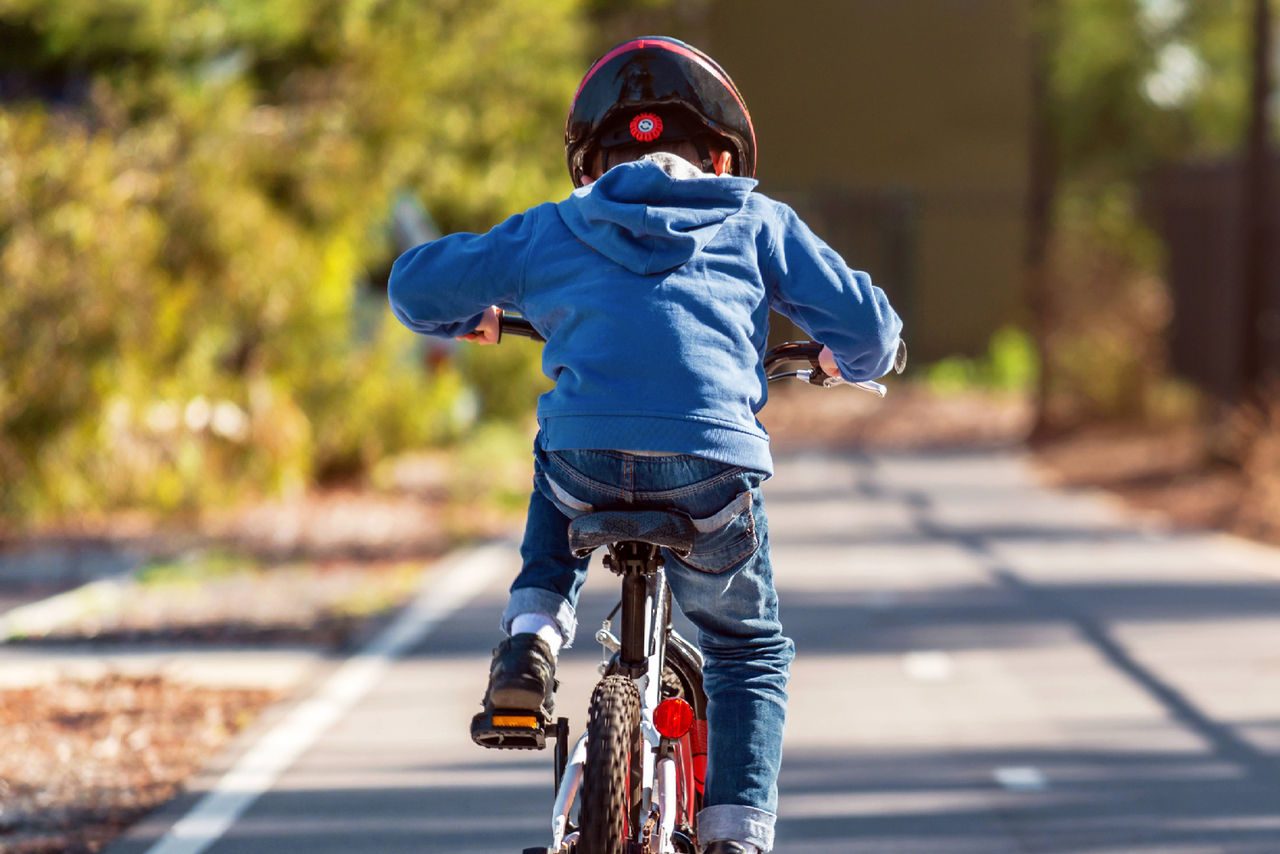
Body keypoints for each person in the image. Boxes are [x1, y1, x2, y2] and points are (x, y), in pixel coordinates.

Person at [387, 35, 902, 854]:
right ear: (725, 155)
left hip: (587, 464)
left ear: (590, 166)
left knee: (558, 465)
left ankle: (528, 645)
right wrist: (847, 358)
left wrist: (469, 315)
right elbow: (873, 330)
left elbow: (413, 285)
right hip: (710, 469)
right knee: (745, 645)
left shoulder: (555, 228)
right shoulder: (759, 220)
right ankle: (736, 836)